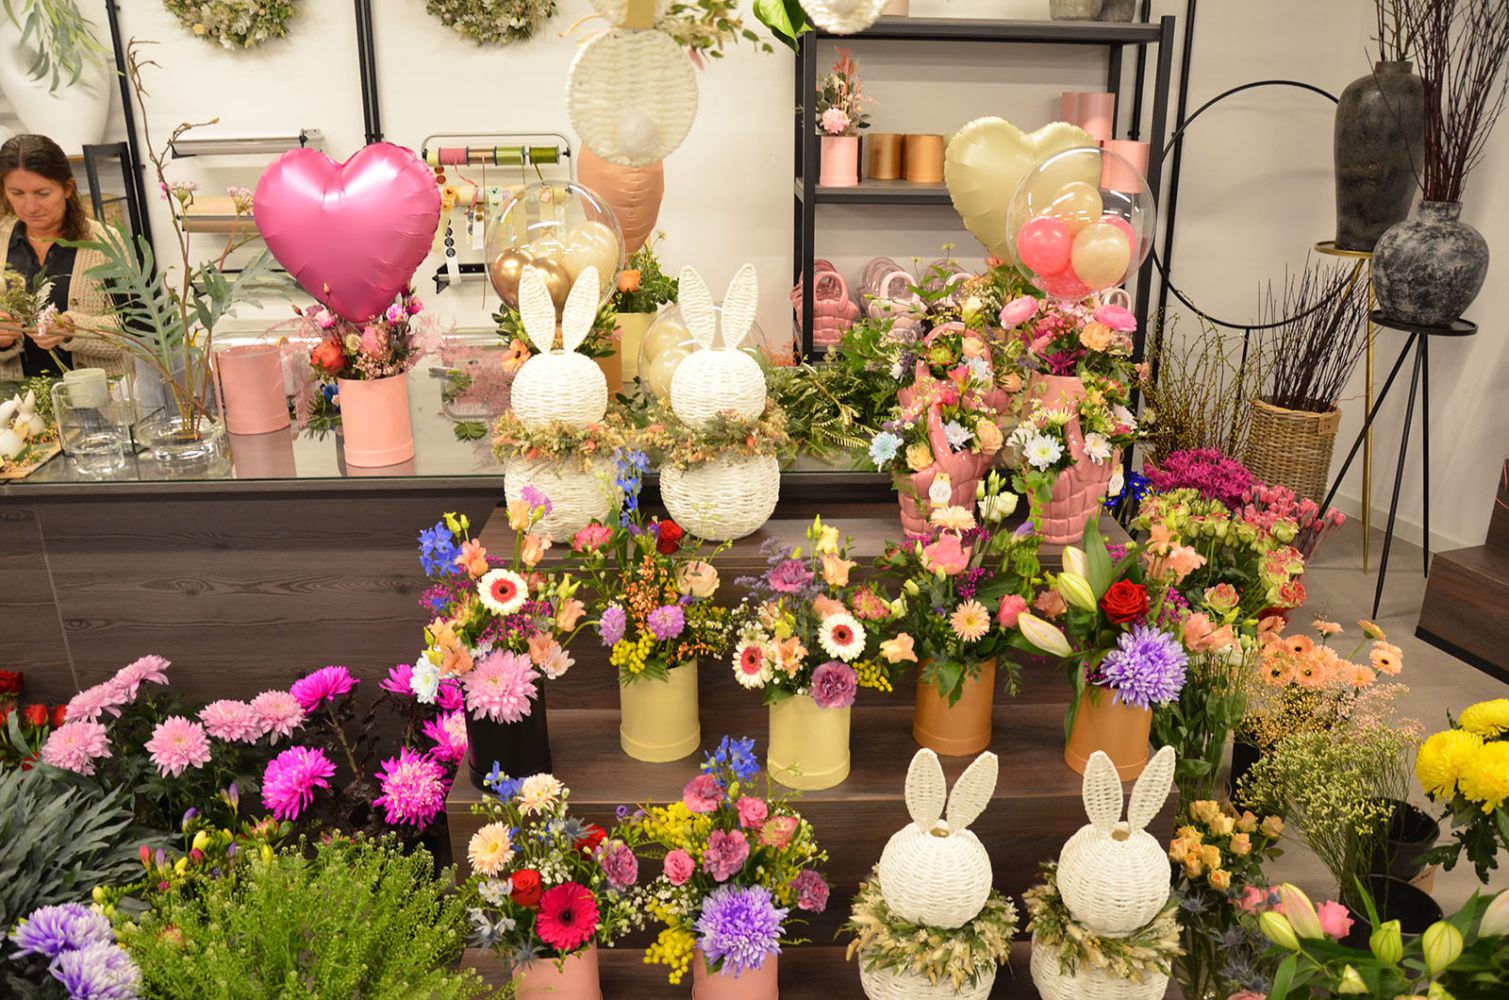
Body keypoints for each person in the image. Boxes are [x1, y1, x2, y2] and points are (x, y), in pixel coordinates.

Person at [0, 133, 124, 380]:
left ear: (67, 188)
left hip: (100, 397)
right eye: (17, 193)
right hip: (17, 401)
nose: (30, 206)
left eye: (42, 193)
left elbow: (135, 331)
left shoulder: (106, 243)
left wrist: (72, 329)